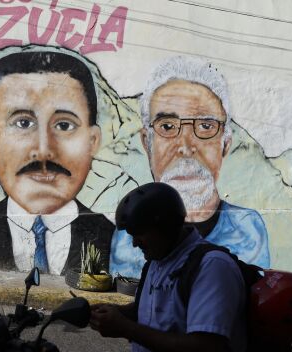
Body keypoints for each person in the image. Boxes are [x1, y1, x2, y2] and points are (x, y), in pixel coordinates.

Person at [111, 56, 270, 278]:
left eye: (206, 126)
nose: (185, 147)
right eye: (167, 126)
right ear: (147, 143)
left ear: (225, 143)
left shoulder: (247, 229)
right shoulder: (130, 237)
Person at [0, 51, 118, 275]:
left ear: (92, 141)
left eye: (64, 125)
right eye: (23, 122)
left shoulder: (111, 236)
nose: (44, 150)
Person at [91, 182, 246, 352]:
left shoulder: (211, 267)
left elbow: (203, 351)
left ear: (166, 226)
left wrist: (125, 328)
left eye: (140, 233)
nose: (135, 243)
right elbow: (153, 312)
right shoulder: (157, 261)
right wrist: (115, 313)